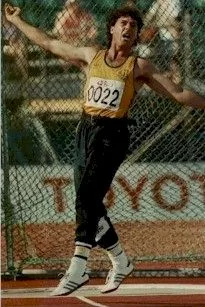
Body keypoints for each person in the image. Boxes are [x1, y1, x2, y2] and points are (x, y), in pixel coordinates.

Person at [5, 2, 205, 296]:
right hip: (85, 129)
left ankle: (78, 266)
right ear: (111, 28)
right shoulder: (90, 56)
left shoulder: (139, 67)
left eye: (134, 26)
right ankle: (121, 261)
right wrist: (18, 22)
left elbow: (178, 93)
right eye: (123, 23)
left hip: (113, 134)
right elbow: (48, 42)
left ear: (136, 37)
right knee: (90, 203)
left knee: (86, 195)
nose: (128, 28)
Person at [143, 0, 182, 83]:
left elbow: (174, 21)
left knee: (171, 61)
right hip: (159, 36)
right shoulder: (157, 3)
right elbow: (148, 18)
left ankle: (175, 81)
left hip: (171, 35)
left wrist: (159, 21)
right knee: (162, 62)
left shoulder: (174, 2)